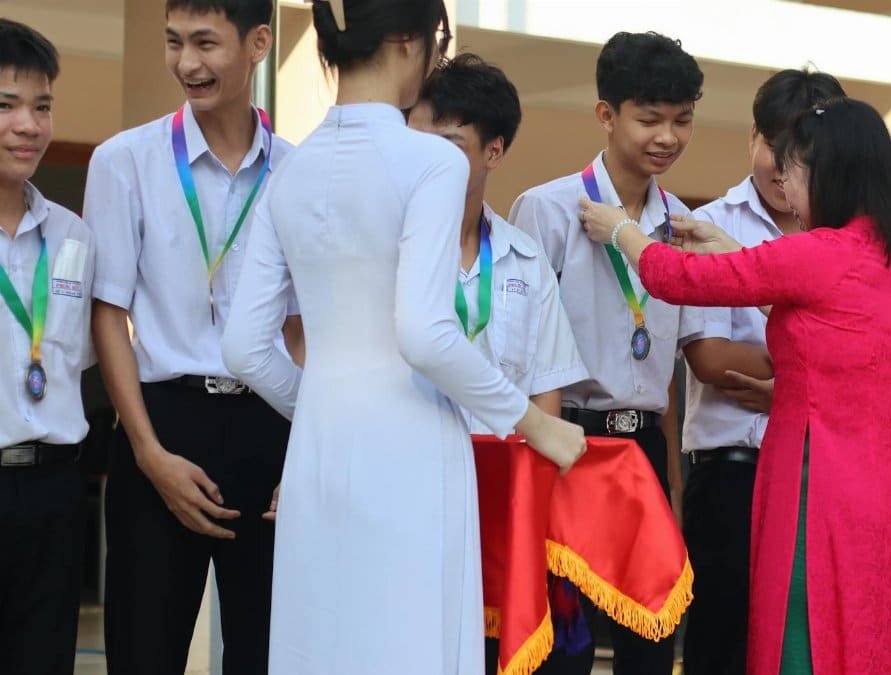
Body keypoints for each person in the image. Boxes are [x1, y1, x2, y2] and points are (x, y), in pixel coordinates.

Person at [219, 0, 586, 672]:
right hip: (411, 443)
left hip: (317, 448)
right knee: (411, 641)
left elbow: (243, 343)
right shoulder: (431, 163)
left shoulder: (291, 170)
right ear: (406, 40)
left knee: (322, 642)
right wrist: (535, 422)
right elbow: (423, 331)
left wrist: (322, 402)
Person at [580, 96, 891, 675]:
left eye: (793, 173)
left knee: (803, 643)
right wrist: (734, 250)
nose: (786, 188)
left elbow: (676, 275)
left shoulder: (820, 252)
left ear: (830, 174)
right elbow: (831, 320)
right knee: (874, 646)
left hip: (819, 491)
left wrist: (621, 228)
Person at [84, 1, 300, 672]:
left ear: (258, 42)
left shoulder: (300, 173)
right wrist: (147, 451)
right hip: (162, 423)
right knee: (143, 647)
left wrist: (305, 453)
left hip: (272, 425)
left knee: (266, 651)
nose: (186, 63)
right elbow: (107, 313)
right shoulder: (125, 161)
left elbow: (303, 328)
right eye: (174, 42)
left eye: (205, 43)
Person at [508, 30, 704, 674]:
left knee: (650, 647)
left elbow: (669, 375)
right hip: (567, 446)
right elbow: (523, 351)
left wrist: (672, 483)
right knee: (561, 653)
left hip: (641, 449)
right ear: (606, 114)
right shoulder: (548, 209)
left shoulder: (681, 226)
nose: (667, 137)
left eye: (681, 121)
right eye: (649, 119)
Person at [406, 52, 590, 673]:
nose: (429, 160)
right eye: (420, 141)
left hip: (501, 511)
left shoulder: (526, 260)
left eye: (451, 144)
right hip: (408, 498)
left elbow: (545, 399)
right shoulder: (386, 252)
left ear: (493, 151)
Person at [680, 67, 843, 675]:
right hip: (732, 475)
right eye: (776, 146)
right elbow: (713, 358)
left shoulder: (850, 238)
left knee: (805, 650)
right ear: (753, 135)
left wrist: (795, 379)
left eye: (804, 152)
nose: (785, 166)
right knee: (721, 647)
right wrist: (821, 367)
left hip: (820, 478)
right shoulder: (712, 225)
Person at [0, 19, 96, 675]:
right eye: (5, 106)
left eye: (42, 106)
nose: (29, 125)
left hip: (56, 491)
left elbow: (79, 356)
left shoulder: (72, 234)